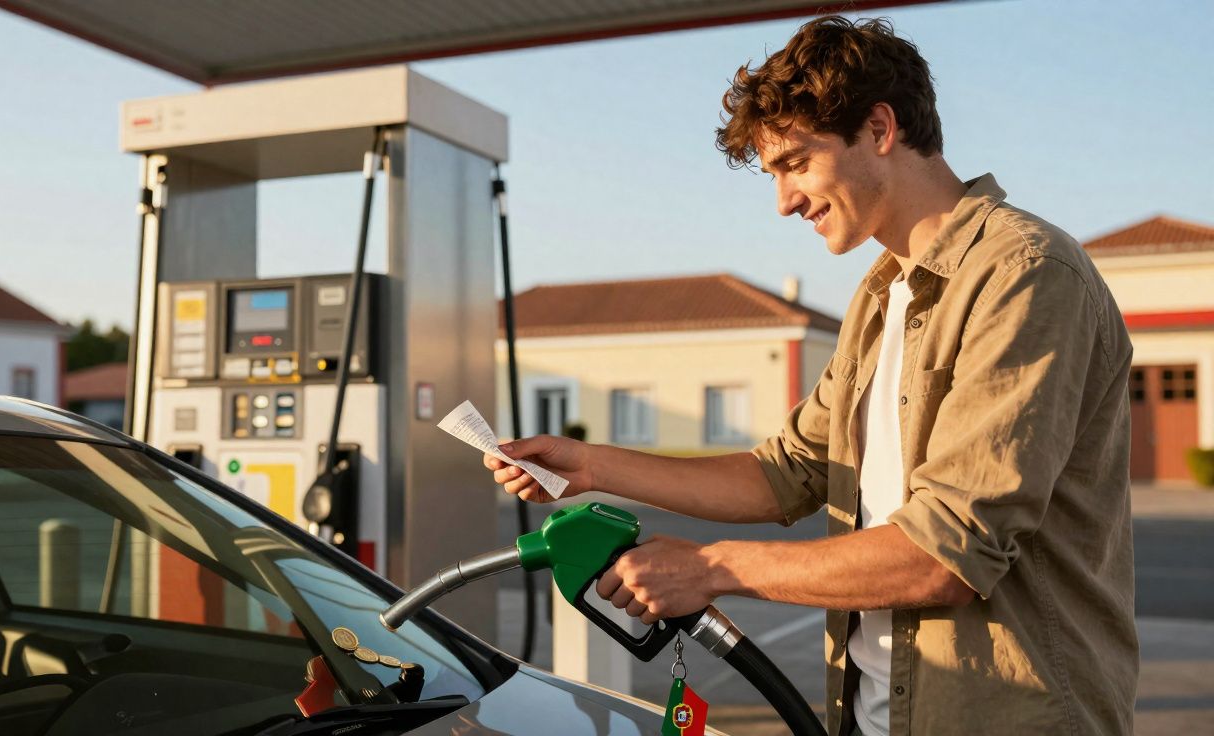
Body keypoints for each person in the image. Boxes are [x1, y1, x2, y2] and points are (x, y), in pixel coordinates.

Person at [483, 15, 1138, 736]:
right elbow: (786, 473)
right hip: (875, 715)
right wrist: (591, 465)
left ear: (881, 128)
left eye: (796, 163)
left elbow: (945, 552)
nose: (784, 201)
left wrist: (709, 569)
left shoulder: (1026, 275)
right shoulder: (880, 295)